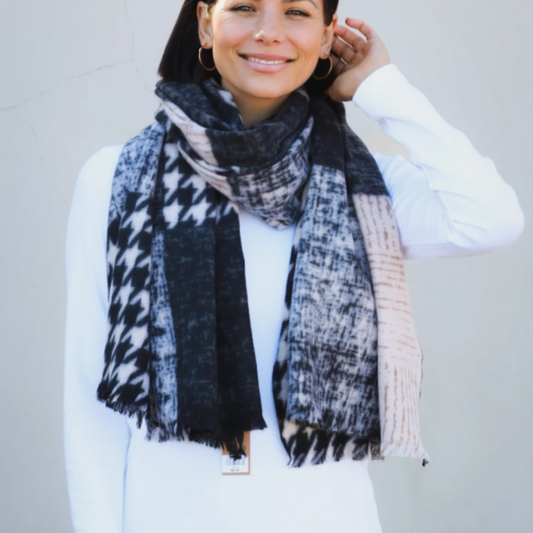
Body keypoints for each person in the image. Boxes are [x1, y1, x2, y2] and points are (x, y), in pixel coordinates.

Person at [63, 0, 525, 532]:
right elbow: (91, 403)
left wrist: (382, 87)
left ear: (328, 37)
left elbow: (490, 218)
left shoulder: (365, 188)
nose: (268, 32)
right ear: (205, 24)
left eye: (296, 13)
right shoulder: (116, 179)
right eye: (244, 7)